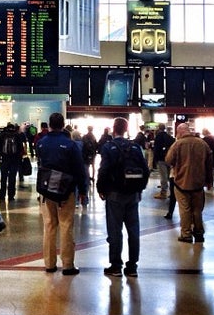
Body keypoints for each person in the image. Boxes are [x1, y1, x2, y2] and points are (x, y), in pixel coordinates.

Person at [97, 117, 149, 277]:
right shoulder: (135, 147)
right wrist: (140, 189)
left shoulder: (109, 147)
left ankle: (115, 265)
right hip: (133, 194)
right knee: (133, 230)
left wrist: (101, 188)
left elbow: (104, 170)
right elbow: (145, 170)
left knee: (115, 230)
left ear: (114, 129)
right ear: (126, 129)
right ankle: (132, 266)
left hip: (115, 194)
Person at [35, 112, 87, 275]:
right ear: (63, 124)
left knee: (49, 226)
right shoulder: (70, 145)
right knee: (66, 226)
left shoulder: (42, 143)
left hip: (46, 190)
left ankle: (49, 264)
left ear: (49, 125)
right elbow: (79, 169)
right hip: (66, 190)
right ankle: (67, 265)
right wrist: (83, 190)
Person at [165, 123, 214, 243]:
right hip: (198, 182)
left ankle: (186, 234)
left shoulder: (177, 144)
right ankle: (198, 233)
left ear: (180, 132)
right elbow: (209, 164)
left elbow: (168, 160)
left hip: (181, 182)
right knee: (197, 209)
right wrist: (209, 180)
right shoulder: (202, 143)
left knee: (185, 208)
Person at [0, 122, 26, 201]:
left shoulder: (3, 135)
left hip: (4, 159)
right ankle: (11, 195)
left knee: (3, 177)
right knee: (12, 178)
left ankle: (2, 195)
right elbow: (20, 148)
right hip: (14, 160)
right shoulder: (17, 135)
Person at [153, 123, 175, 199]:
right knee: (170, 176)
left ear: (159, 128)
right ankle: (172, 192)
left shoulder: (158, 136)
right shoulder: (169, 136)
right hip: (169, 158)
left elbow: (156, 149)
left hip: (161, 158)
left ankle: (163, 193)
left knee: (163, 176)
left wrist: (155, 159)